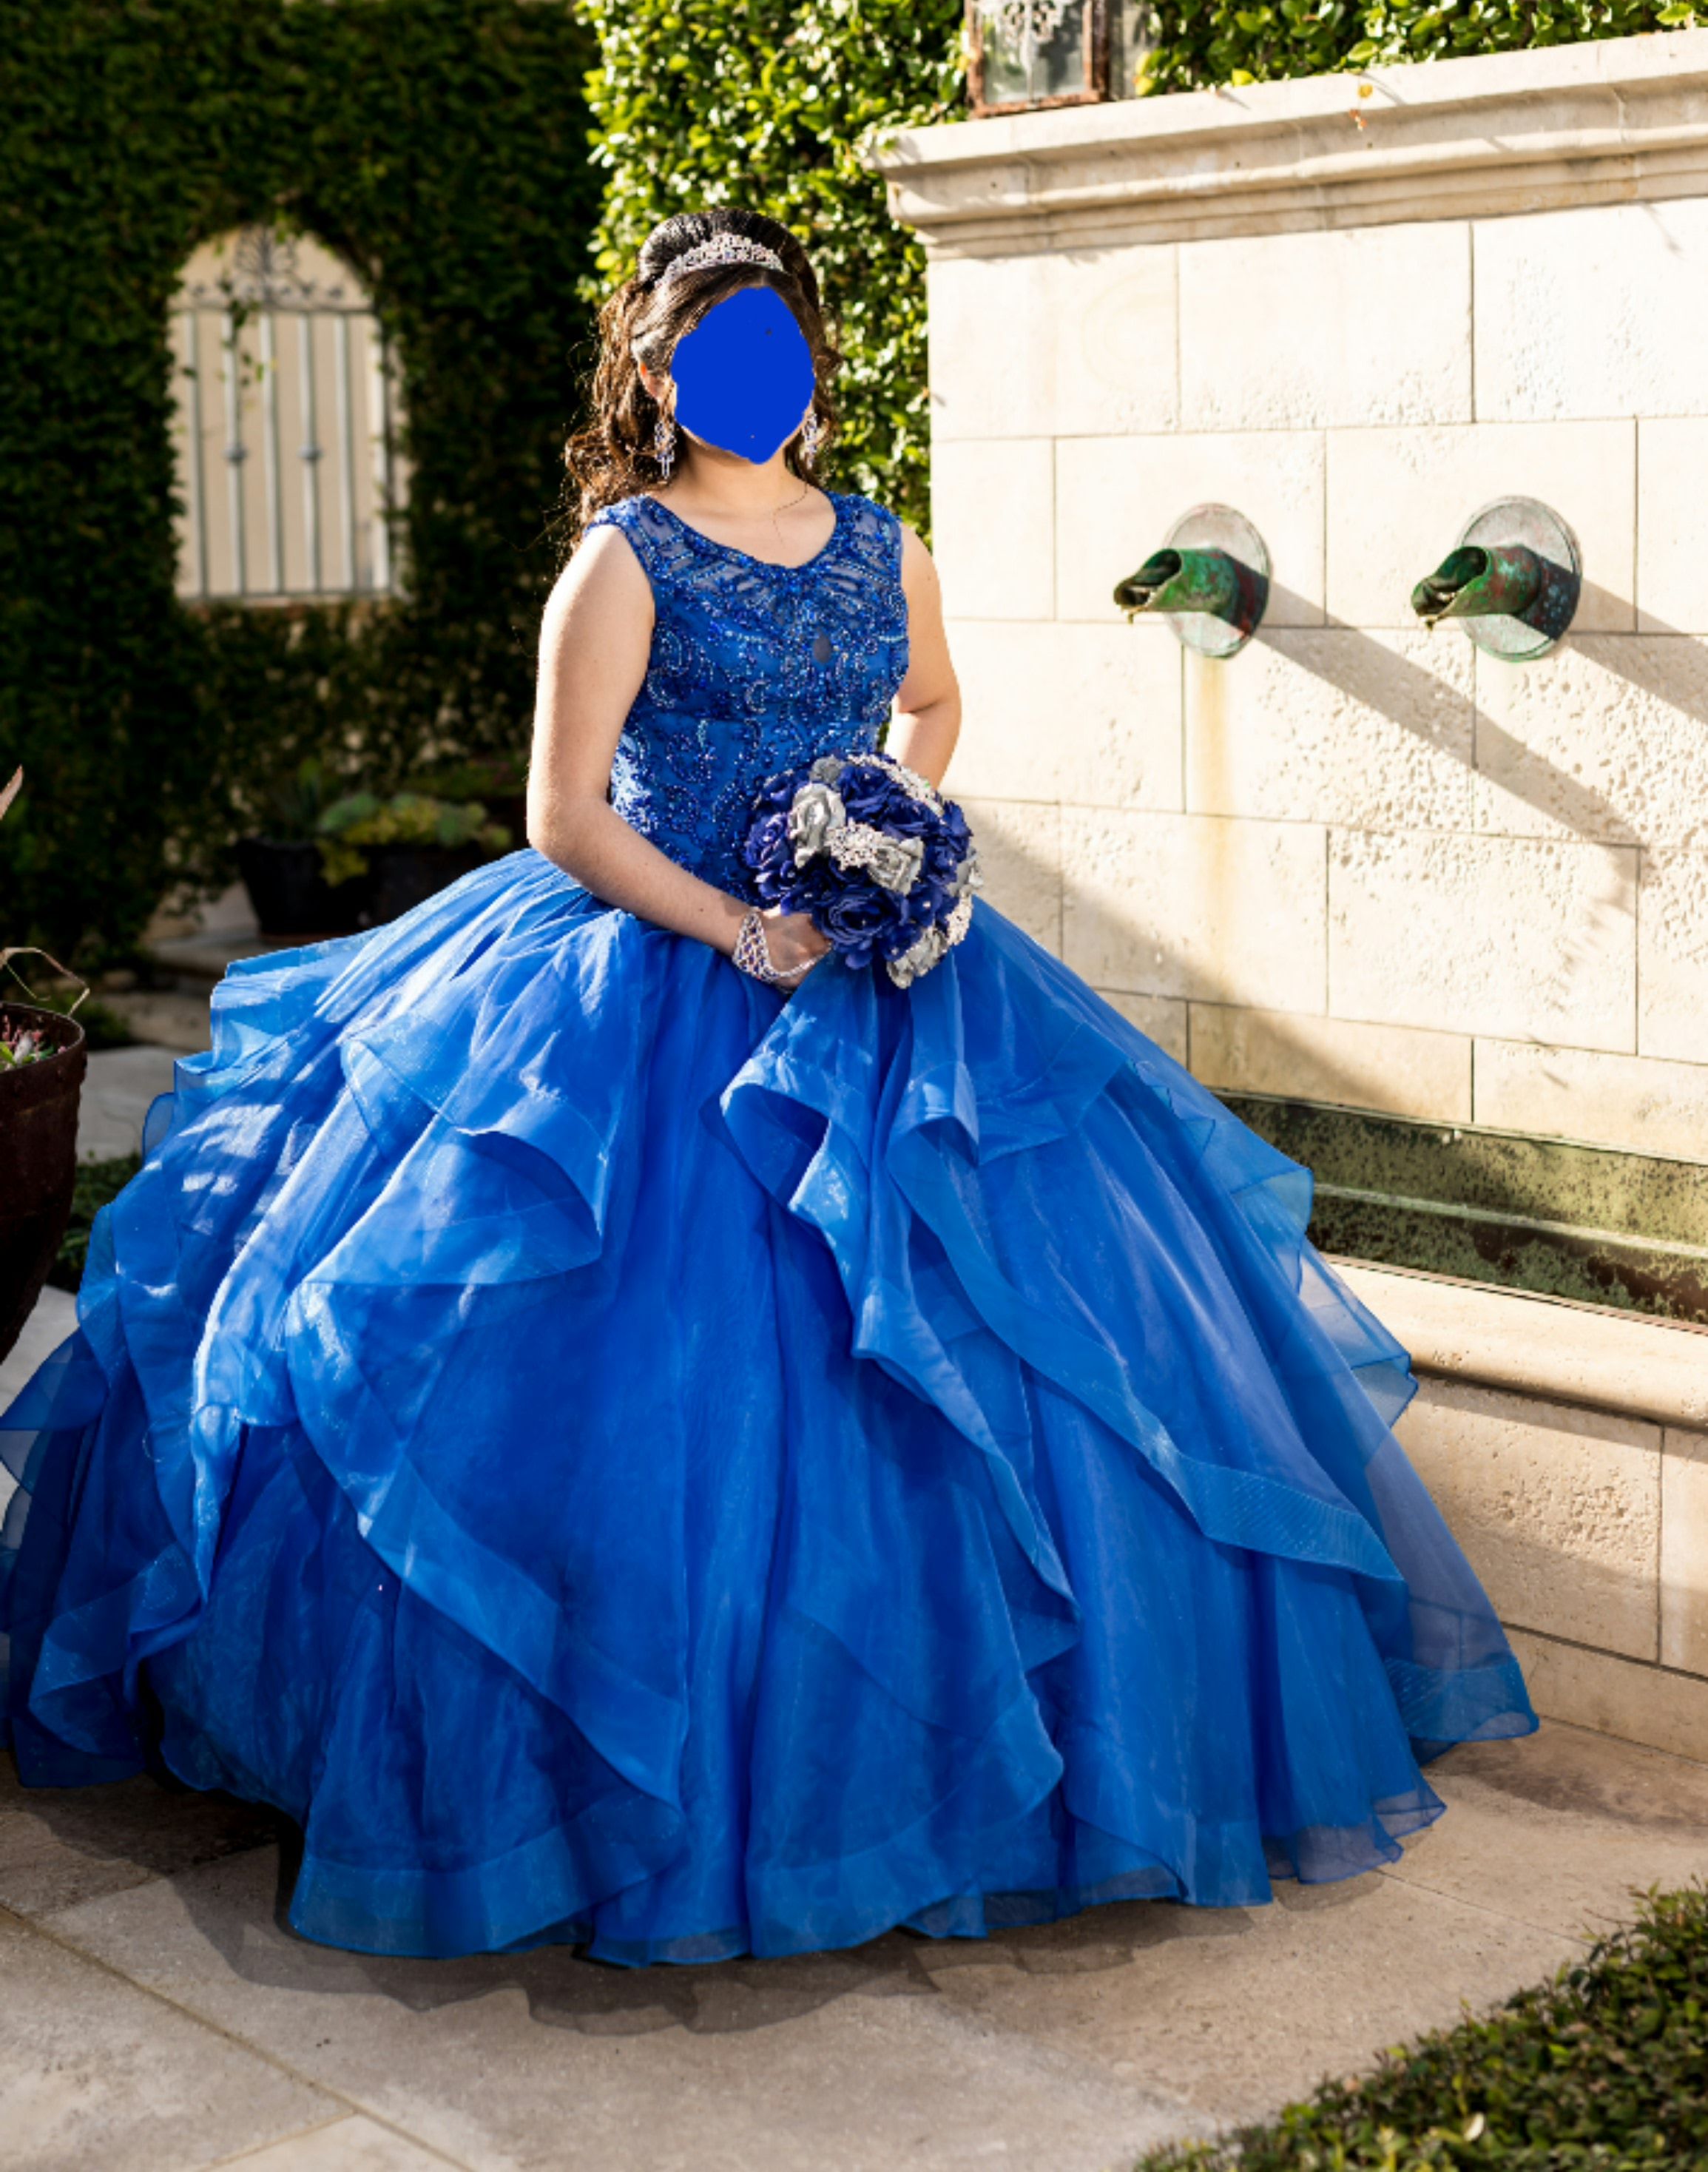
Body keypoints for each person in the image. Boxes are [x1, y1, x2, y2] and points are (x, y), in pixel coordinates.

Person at [0, 209, 1535, 1966]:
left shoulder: (885, 541)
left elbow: (936, 704)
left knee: (1000, 1349)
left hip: (876, 967)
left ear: (808, 365)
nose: (751, 380)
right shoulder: (625, 558)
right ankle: (624, 1787)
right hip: (653, 969)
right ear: (658, 377)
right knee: (656, 1374)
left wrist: (886, 822)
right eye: (710, 354)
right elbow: (560, 816)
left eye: (777, 350)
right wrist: (740, 918)